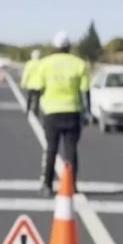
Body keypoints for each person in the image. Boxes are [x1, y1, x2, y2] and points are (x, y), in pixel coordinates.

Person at [26, 31, 90, 197]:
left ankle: (47, 185)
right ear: (68, 47)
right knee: (71, 151)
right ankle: (71, 185)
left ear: (54, 47)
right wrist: (87, 112)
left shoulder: (45, 64)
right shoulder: (79, 64)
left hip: (52, 112)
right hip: (72, 111)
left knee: (51, 150)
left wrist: (34, 108)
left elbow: (38, 88)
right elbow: (85, 91)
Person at [20, 48, 42, 116]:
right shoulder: (42, 63)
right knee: (37, 100)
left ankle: (27, 111)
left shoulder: (29, 64)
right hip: (39, 85)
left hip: (30, 85)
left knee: (29, 99)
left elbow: (25, 74)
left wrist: (23, 83)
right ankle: (36, 112)